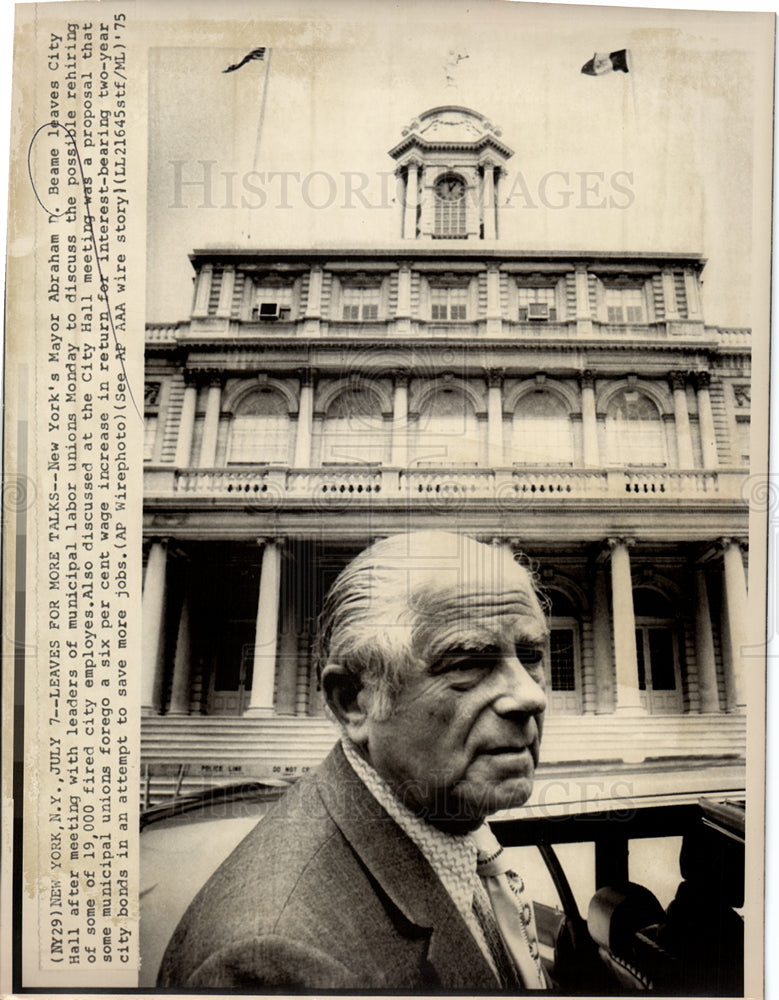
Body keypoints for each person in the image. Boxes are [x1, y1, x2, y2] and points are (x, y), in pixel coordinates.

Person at [158, 531, 551, 989]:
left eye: (532, 655)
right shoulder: (275, 959)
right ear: (354, 701)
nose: (530, 696)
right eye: (466, 662)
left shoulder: (440, 811)